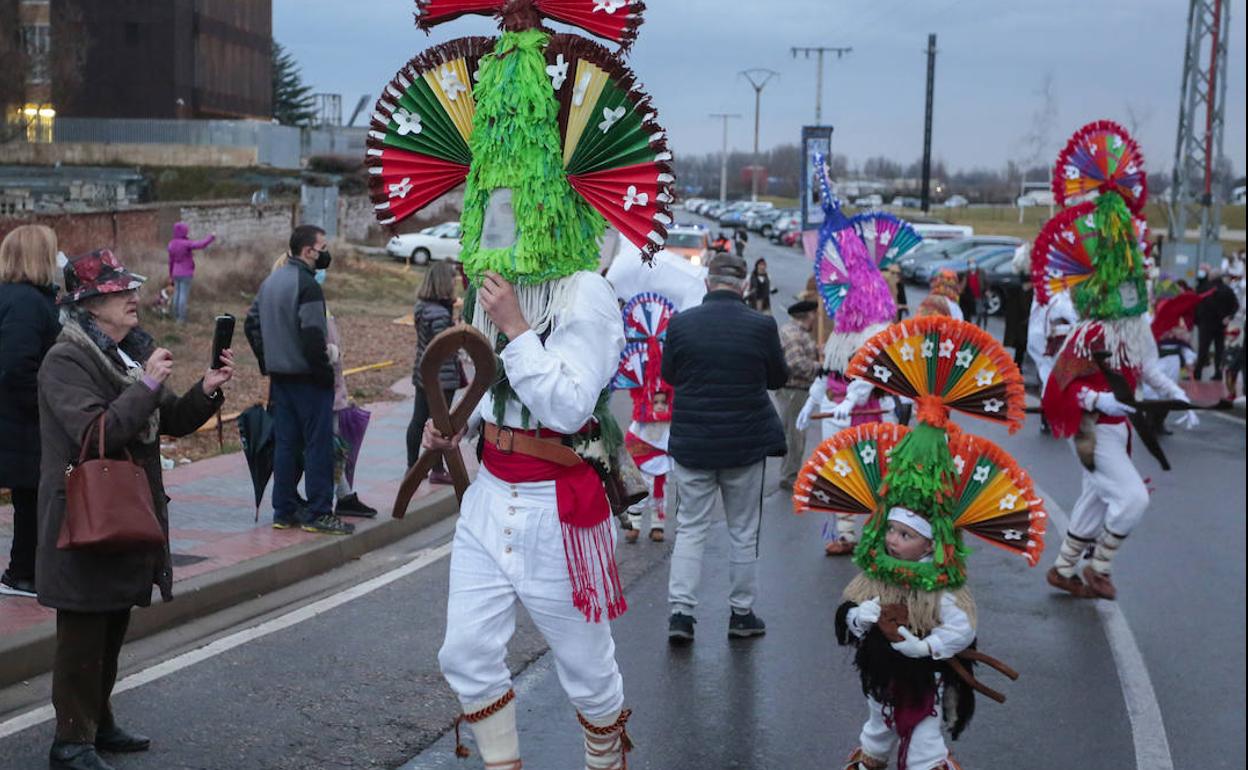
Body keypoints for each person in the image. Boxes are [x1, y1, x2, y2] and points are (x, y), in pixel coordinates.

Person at [37, 249, 232, 770]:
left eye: (130, 289)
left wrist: (205, 391)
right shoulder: (67, 359)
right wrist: (146, 384)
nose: (133, 298)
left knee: (111, 625)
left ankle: (98, 722)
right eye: (120, 293)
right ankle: (70, 740)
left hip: (123, 513)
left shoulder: (124, 354)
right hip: (83, 517)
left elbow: (167, 420)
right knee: (82, 634)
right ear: (89, 306)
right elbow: (95, 434)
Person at [825, 316, 1042, 770]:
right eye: (890, 530)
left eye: (905, 535)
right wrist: (860, 616)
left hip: (923, 684)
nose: (892, 539)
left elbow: (961, 628)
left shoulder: (941, 586)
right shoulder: (876, 575)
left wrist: (926, 648)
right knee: (876, 737)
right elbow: (846, 615)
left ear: (929, 546)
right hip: (878, 684)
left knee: (925, 747)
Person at [1039, 131, 1197, 600]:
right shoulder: (1088, 333)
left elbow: (1148, 369)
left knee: (1094, 497)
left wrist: (1179, 396)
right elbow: (1059, 385)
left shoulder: (1134, 328)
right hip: (1092, 429)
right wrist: (1097, 397)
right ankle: (1099, 566)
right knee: (1131, 498)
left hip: (1119, 430)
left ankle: (1065, 569)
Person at [662, 253, 788, 643]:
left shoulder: (681, 324)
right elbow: (777, 377)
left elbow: (669, 375)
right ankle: (741, 613)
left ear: (708, 282)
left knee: (690, 528)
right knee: (743, 531)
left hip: (694, 444)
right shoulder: (762, 326)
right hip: (744, 445)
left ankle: (681, 614)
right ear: (744, 285)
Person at [244, 225, 352, 536]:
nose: (325, 253)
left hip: (281, 380)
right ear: (308, 251)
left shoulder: (271, 282)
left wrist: (269, 361)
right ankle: (319, 512)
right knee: (318, 446)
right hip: (309, 379)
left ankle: (284, 509)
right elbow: (312, 334)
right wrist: (325, 369)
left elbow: (251, 324)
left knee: (286, 445)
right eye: (323, 247)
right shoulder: (307, 286)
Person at [0, 225, 62, 598]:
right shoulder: (25, 302)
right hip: (24, 422)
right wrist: (45, 407)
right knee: (32, 496)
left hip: (19, 419)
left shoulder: (25, 298)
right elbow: (15, 365)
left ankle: (26, 571)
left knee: (31, 497)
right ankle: (23, 574)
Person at [321, 268, 378, 518]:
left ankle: (343, 494)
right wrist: (331, 353)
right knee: (328, 446)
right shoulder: (306, 299)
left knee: (335, 446)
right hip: (322, 389)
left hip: (332, 387)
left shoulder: (319, 301)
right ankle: (336, 497)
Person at [405, 261, 463, 482]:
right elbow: (444, 346)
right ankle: (436, 470)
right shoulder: (439, 313)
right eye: (451, 279)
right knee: (440, 425)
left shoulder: (422, 306)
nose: (454, 283)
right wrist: (459, 334)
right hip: (442, 376)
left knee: (418, 420)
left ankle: (412, 468)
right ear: (442, 281)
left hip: (423, 373)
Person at [776, 300, 821, 491]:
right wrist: (821, 367)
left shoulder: (799, 333)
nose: (815, 319)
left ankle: (791, 473)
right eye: (813, 315)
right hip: (794, 390)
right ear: (807, 315)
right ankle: (789, 476)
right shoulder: (793, 334)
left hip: (797, 390)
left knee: (795, 433)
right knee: (795, 435)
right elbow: (797, 364)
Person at [1193, 271, 1239, 381]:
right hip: (1221, 325)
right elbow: (1235, 305)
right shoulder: (1228, 290)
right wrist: (1229, 317)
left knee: (1203, 349)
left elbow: (1197, 304)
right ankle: (1218, 373)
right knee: (1219, 350)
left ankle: (1198, 372)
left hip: (1206, 324)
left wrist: (1197, 320)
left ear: (1211, 277)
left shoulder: (1205, 289)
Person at [166, 222, 215, 323]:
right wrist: (211, 237)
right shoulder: (186, 243)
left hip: (175, 273)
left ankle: (175, 316)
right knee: (183, 295)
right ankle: (181, 319)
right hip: (186, 273)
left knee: (176, 295)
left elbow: (170, 261)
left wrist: (170, 275)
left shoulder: (171, 244)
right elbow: (201, 244)